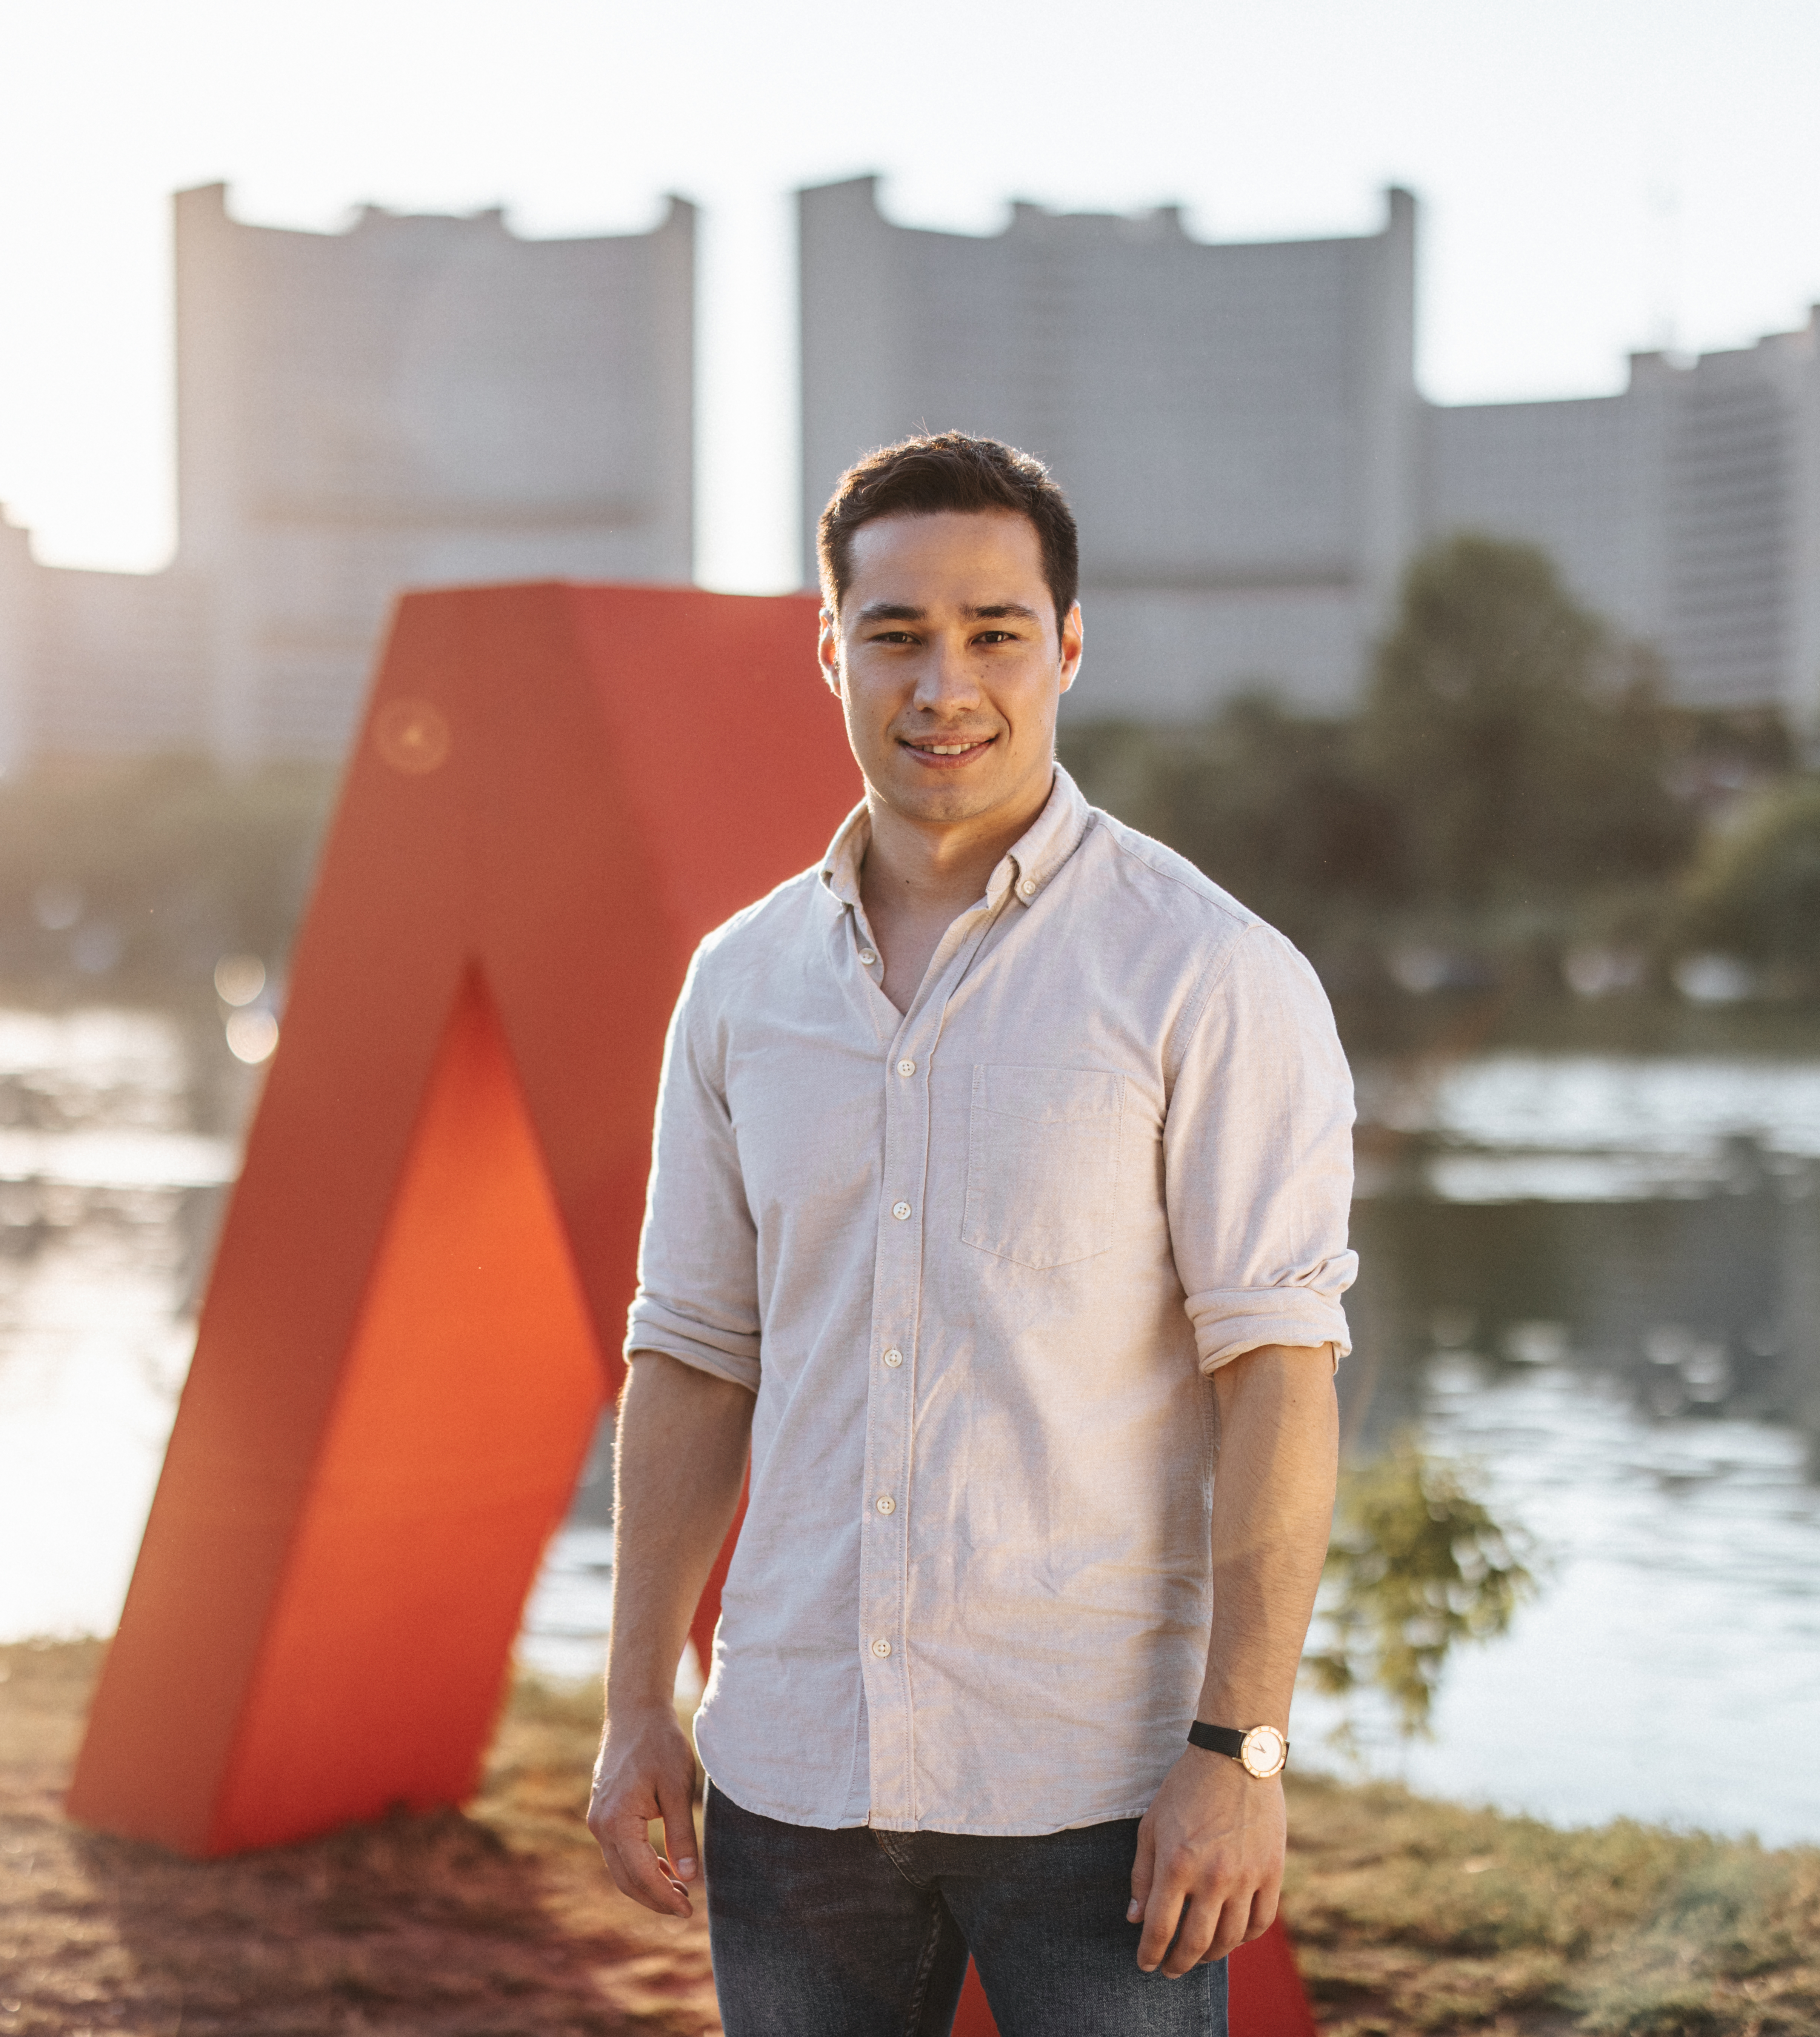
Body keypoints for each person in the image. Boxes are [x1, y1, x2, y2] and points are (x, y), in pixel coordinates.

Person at [587, 432, 1355, 2037]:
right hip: (790, 1773)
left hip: (1098, 1790)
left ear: (1066, 647)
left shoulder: (1205, 976)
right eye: (896, 635)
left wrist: (1240, 1753)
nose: (943, 687)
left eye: (993, 633)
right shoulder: (738, 985)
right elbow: (691, 1355)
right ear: (828, 649)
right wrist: (632, 1703)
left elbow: (1276, 1374)